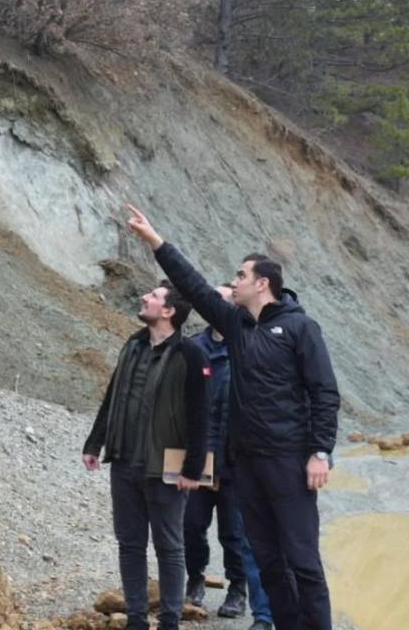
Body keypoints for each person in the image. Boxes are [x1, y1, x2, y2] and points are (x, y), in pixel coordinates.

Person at [124, 204, 340, 630]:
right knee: (268, 560)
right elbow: (197, 288)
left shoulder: (301, 328)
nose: (234, 281)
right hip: (247, 465)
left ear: (262, 284)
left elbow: (324, 392)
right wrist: (156, 242)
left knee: (302, 561)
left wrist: (320, 451)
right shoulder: (237, 325)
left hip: (290, 461)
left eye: (241, 276)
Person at [82, 281, 210, 630]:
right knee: (130, 544)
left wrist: (193, 470)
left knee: (169, 547)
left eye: (153, 296)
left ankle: (170, 621)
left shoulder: (191, 354)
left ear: (168, 311)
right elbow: (114, 394)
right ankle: (136, 620)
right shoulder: (133, 344)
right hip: (124, 461)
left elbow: (201, 417)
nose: (144, 298)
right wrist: (95, 443)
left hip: (165, 468)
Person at [185, 285, 274, 630]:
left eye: (225, 299)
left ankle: (238, 590)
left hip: (236, 463)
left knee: (235, 533)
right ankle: (195, 578)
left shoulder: (247, 348)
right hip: (198, 460)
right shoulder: (193, 348)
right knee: (190, 525)